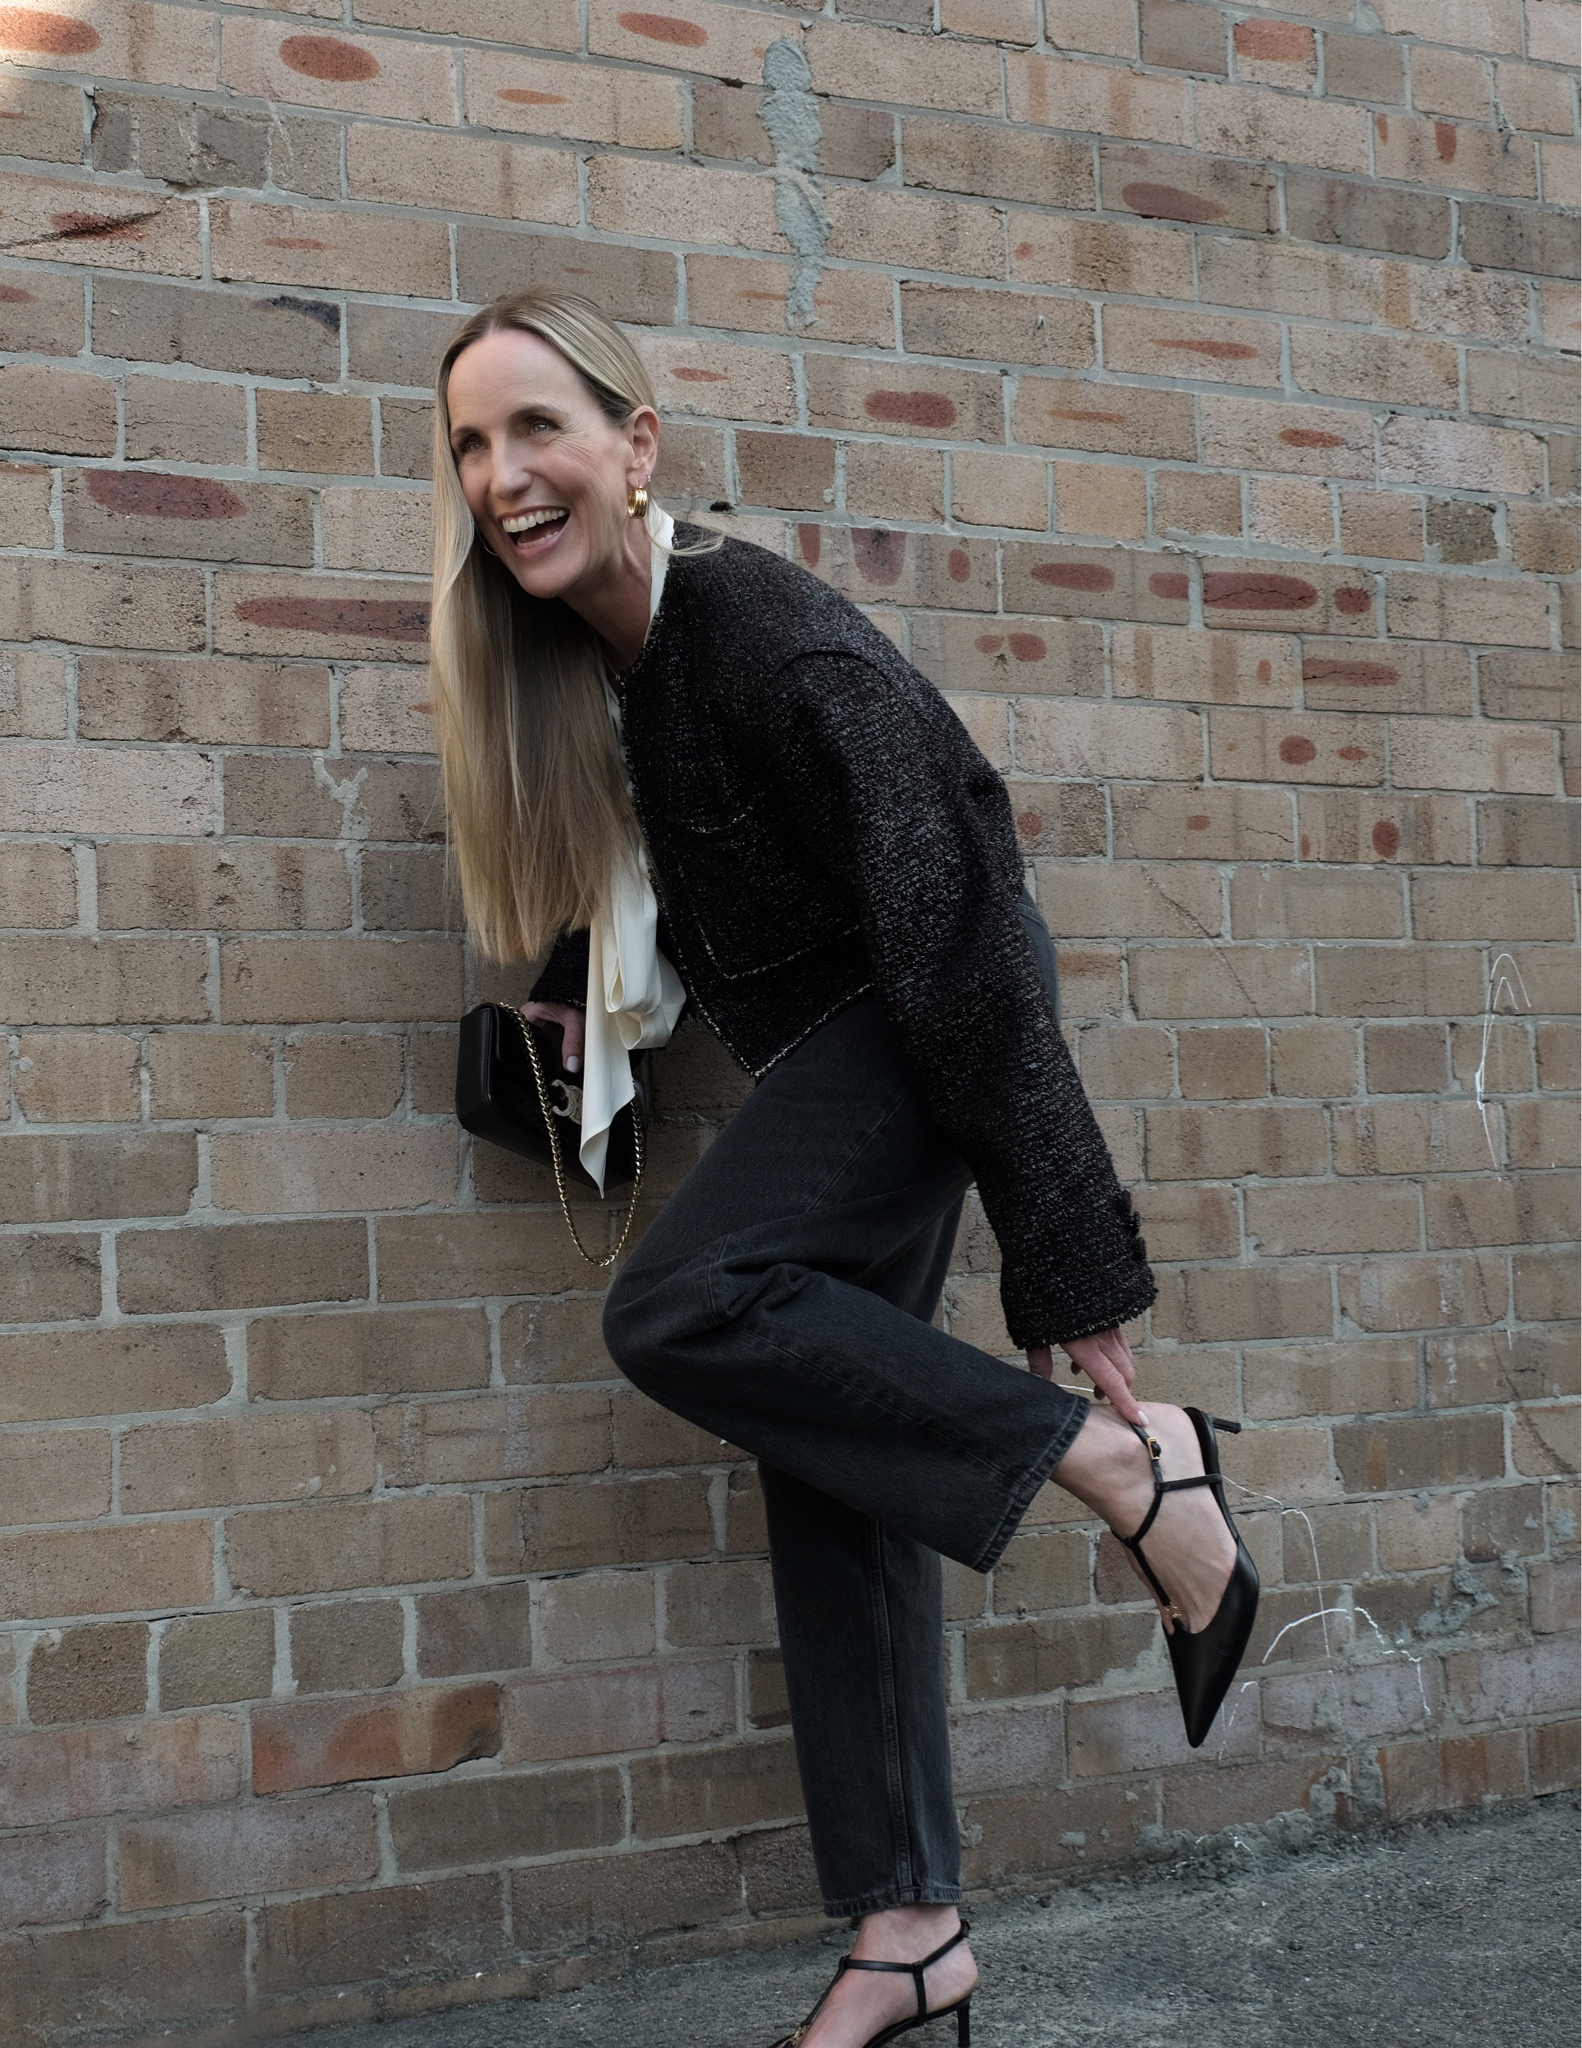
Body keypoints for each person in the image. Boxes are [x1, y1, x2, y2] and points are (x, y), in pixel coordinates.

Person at [430, 290, 1258, 2048]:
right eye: (471, 447)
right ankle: (912, 1938)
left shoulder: (764, 638)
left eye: (537, 429)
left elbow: (973, 939)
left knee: (683, 1305)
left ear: (636, 445)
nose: (503, 476)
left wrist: (1077, 1272)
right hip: (845, 1061)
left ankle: (1132, 1470)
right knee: (840, 1482)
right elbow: (686, 899)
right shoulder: (631, 672)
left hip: (909, 1047)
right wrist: (576, 1010)